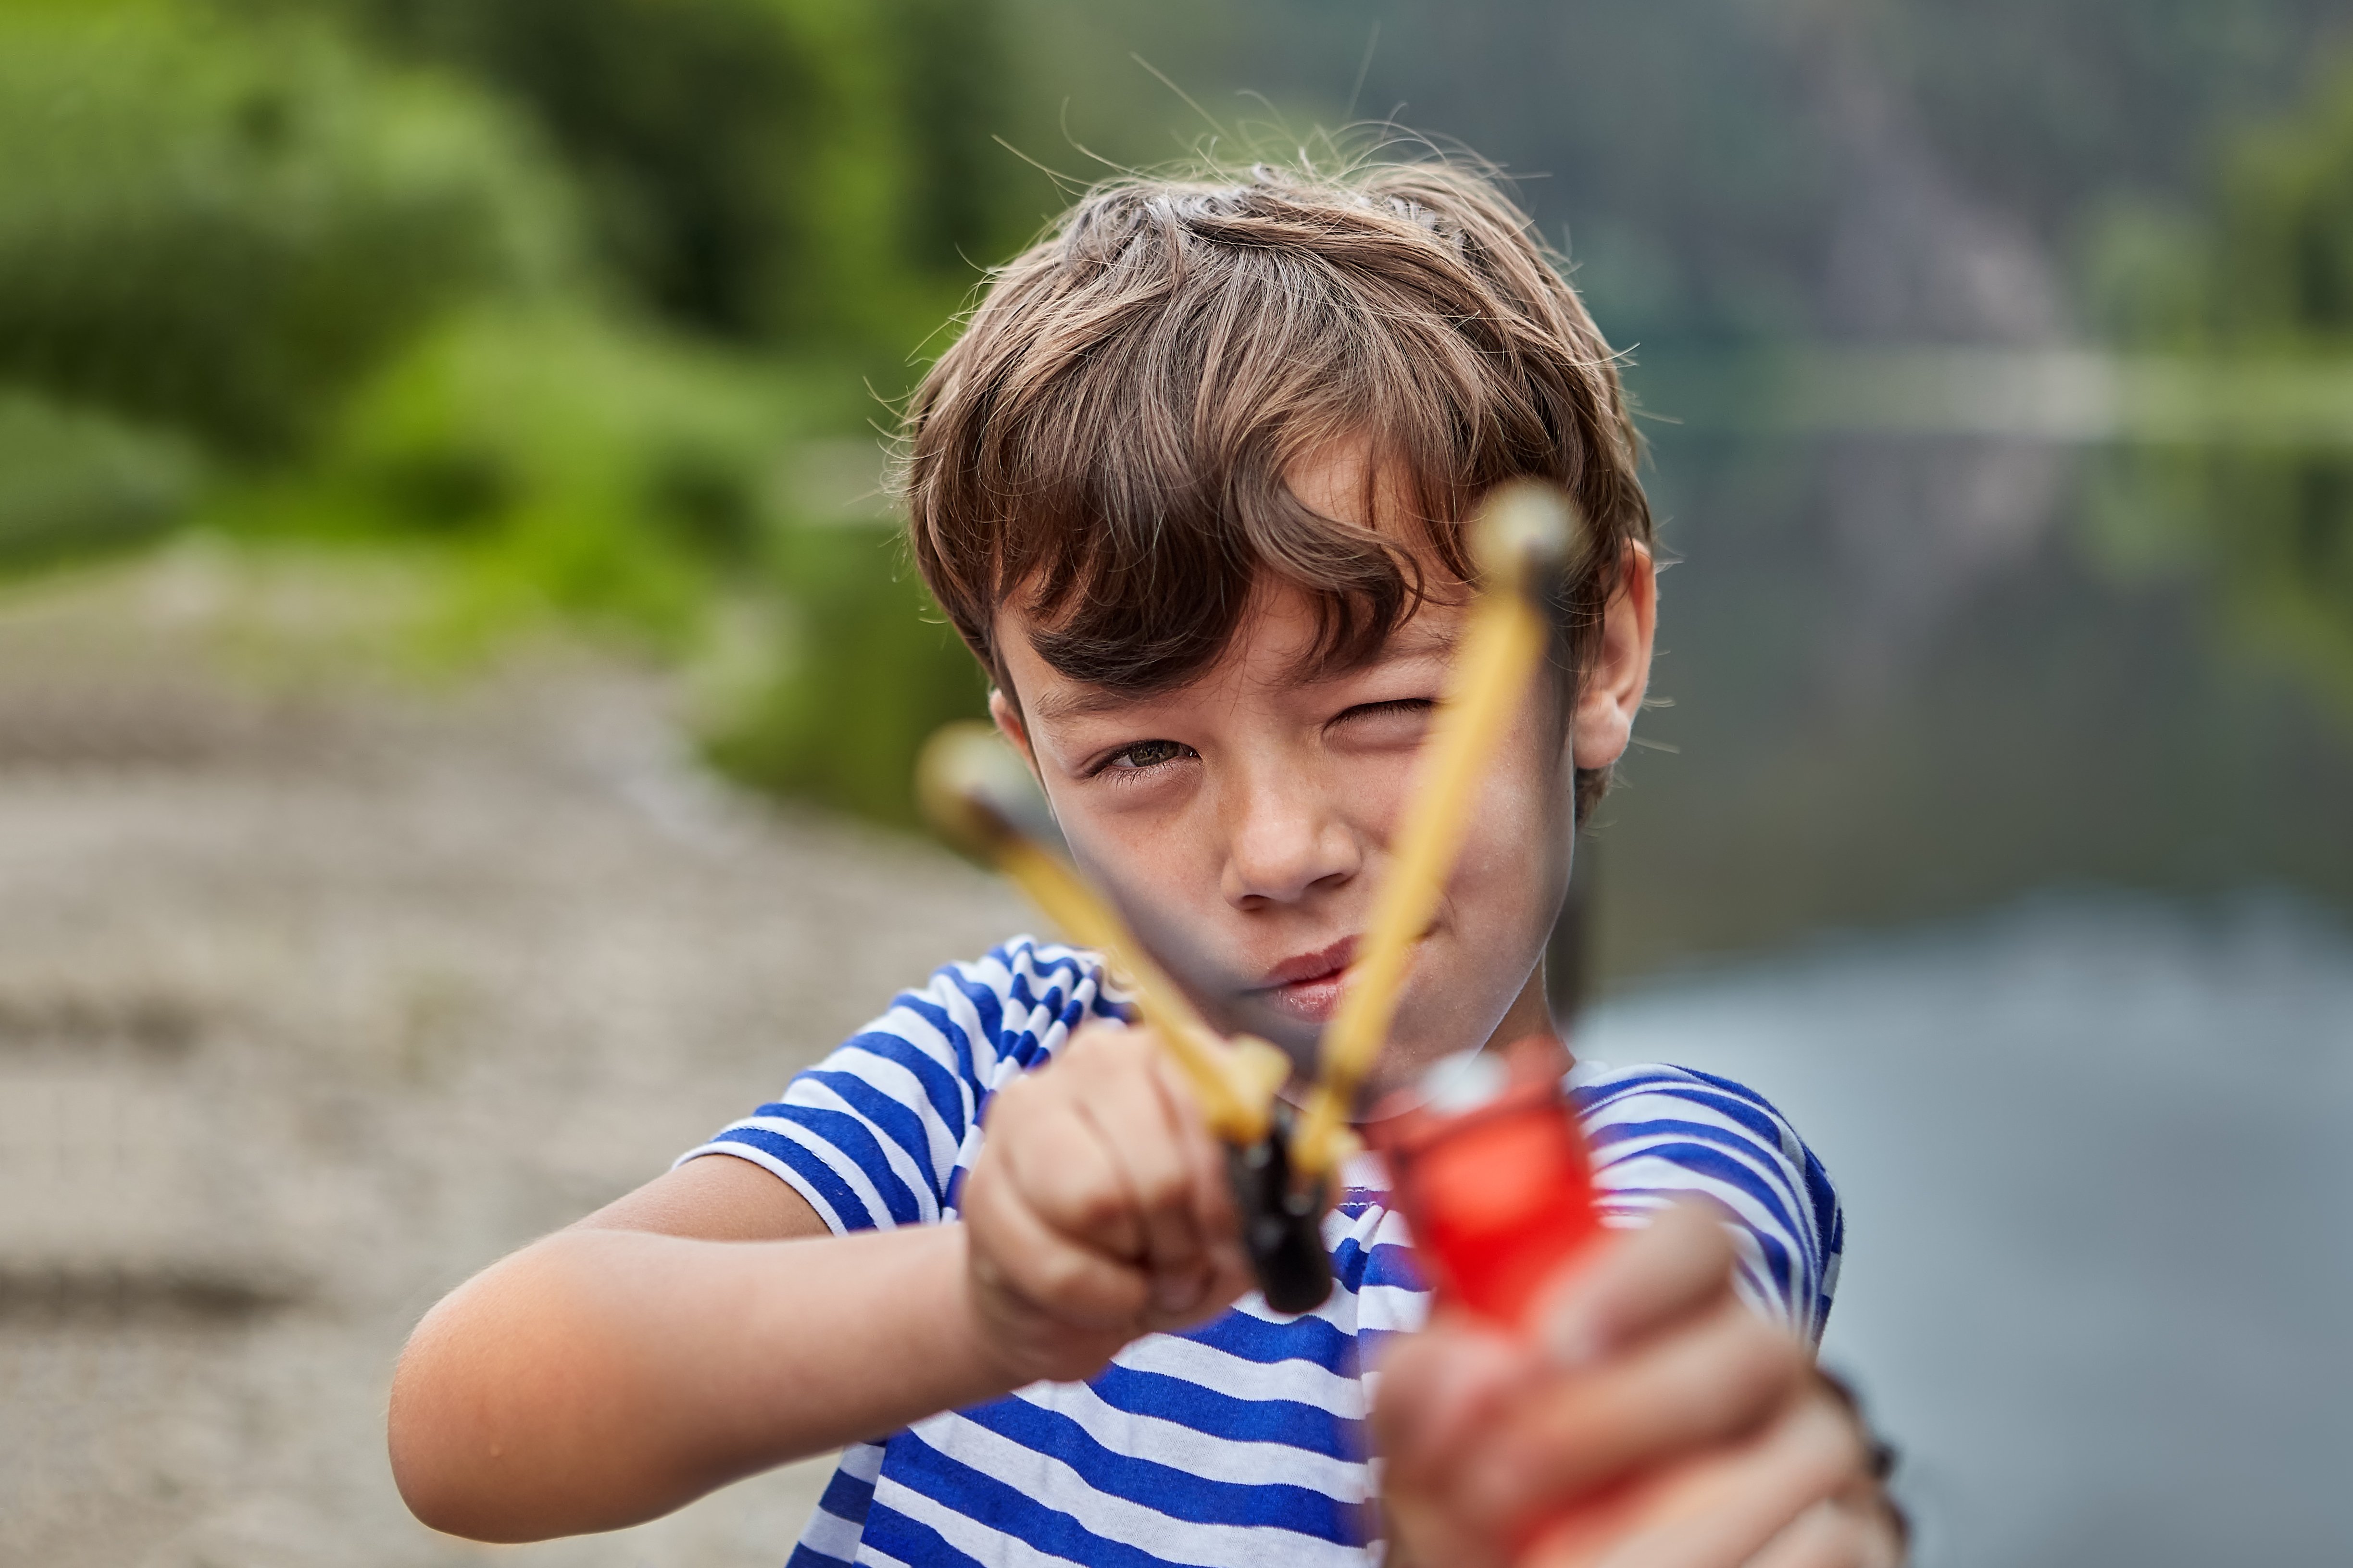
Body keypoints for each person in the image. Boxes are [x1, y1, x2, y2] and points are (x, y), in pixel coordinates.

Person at [388, 157, 1905, 1567]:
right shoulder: (1003, 1061)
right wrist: (982, 1303)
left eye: (1386, 710)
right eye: (1139, 758)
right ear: (1032, 762)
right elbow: (464, 1427)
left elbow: (1646, 1454)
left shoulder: (1661, 1172)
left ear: (1600, 655)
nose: (1279, 851)